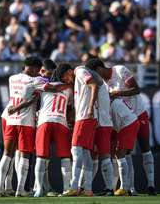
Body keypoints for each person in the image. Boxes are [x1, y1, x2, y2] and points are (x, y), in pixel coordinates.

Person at [94, 61, 156, 195]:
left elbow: (136, 89)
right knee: (125, 153)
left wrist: (118, 93)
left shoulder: (120, 70)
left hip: (138, 113)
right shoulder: (104, 84)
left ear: (100, 69)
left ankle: (151, 185)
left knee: (145, 148)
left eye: (95, 73)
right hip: (124, 120)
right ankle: (130, 188)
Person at [0, 56, 42, 197]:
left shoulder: (12, 78)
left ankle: (0, 188)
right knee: (24, 156)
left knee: (7, 154)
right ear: (33, 68)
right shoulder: (35, 81)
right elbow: (46, 85)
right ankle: (20, 189)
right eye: (38, 70)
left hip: (11, 120)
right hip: (25, 121)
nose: (38, 73)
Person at [57, 63, 101, 197]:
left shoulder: (80, 72)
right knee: (86, 153)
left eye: (65, 77)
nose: (67, 81)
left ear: (69, 71)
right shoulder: (78, 77)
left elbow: (94, 85)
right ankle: (87, 189)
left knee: (75, 149)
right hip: (86, 117)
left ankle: (74, 186)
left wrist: (90, 107)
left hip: (85, 117)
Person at [31, 59, 72, 197]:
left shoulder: (44, 84)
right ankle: (67, 188)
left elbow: (34, 94)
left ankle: (38, 189)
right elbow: (70, 108)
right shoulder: (69, 88)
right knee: (65, 157)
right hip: (61, 122)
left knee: (41, 157)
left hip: (45, 121)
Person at [85, 59, 114, 196]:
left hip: (102, 123)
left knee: (104, 155)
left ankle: (109, 188)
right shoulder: (101, 82)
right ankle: (85, 187)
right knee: (93, 156)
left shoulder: (97, 79)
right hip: (99, 122)